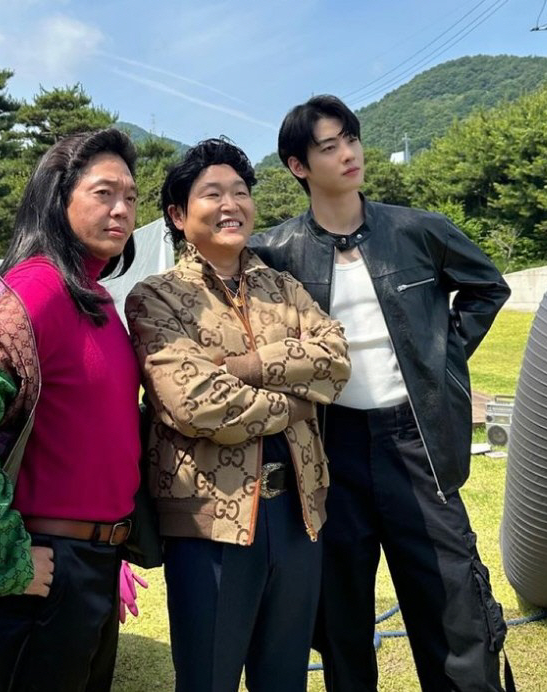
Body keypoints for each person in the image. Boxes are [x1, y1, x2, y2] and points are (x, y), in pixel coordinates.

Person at [248, 95, 513, 692]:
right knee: (340, 612)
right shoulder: (276, 251)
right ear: (297, 166)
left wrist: (439, 362)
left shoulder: (419, 229)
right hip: (330, 445)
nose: (349, 154)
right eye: (329, 146)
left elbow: (486, 287)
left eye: (352, 138)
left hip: (414, 441)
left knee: (450, 600)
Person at [0, 128, 144, 692]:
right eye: (104, 192)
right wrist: (8, 561)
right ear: (58, 198)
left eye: (131, 197)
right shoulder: (31, 293)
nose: (122, 209)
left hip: (97, 563)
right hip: (45, 571)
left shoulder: (96, 299)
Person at [124, 138, 350, 692]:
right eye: (213, 193)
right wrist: (297, 402)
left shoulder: (281, 285)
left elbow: (335, 359)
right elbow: (196, 403)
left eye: (241, 191)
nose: (232, 204)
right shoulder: (156, 298)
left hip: (298, 515)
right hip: (209, 522)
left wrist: (244, 366)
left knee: (285, 678)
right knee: (209, 679)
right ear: (178, 215)